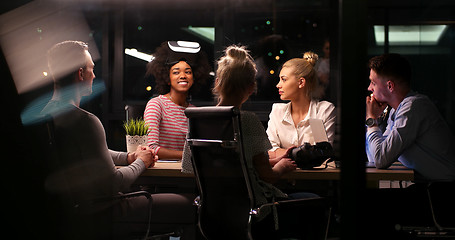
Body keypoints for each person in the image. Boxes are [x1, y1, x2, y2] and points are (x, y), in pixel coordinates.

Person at [41, 41, 194, 238]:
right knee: (193, 203)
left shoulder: (48, 115)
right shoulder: (86, 122)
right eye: (91, 70)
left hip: (76, 213)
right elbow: (114, 184)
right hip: (107, 212)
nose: (94, 76)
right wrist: (141, 162)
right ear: (80, 74)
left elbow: (94, 153)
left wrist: (129, 157)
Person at [182, 45, 322, 239]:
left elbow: (191, 169)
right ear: (251, 87)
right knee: (316, 202)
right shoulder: (247, 120)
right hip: (256, 214)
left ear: (217, 83)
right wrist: (281, 167)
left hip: (213, 216)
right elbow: (267, 176)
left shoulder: (196, 119)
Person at [365, 53, 455, 182]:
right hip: (429, 187)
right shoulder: (396, 111)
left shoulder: (413, 107)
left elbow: (380, 159)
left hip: (444, 191)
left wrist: (371, 120)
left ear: (390, 86)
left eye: (373, 83)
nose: (369, 88)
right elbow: (374, 158)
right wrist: (376, 120)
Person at [144, 41, 210, 160]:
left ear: (194, 78)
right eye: (176, 72)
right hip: (164, 173)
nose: (183, 76)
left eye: (188, 72)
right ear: (167, 78)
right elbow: (151, 148)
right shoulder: (156, 105)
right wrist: (189, 156)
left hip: (189, 173)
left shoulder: (194, 112)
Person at [266, 52, 336, 164]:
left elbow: (323, 153)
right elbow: (268, 150)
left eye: (283, 79)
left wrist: (283, 153)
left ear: (301, 82)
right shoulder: (277, 111)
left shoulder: (324, 110)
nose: (278, 85)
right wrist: (300, 153)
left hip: (316, 178)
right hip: (284, 176)